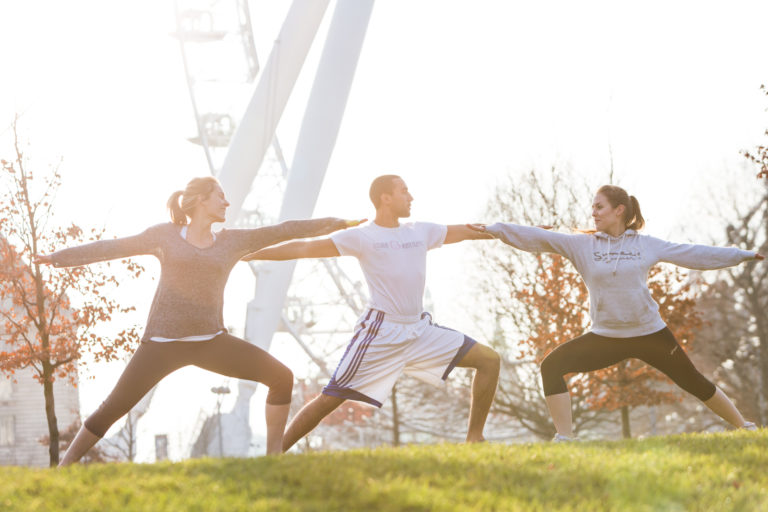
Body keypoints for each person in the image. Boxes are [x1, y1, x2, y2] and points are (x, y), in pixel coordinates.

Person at [35, 176, 359, 465]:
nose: (227, 202)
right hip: (160, 345)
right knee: (112, 409)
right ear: (201, 201)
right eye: (220, 196)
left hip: (210, 342)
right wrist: (60, 258)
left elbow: (284, 230)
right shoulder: (165, 236)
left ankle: (273, 460)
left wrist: (338, 222)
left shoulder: (233, 241)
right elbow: (115, 247)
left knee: (281, 377)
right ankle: (64, 469)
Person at [469, 184, 763, 441]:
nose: (593, 213)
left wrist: (741, 255)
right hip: (606, 336)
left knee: (693, 381)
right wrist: (495, 229)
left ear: (619, 210)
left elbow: (693, 253)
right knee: (551, 366)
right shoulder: (581, 245)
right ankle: (566, 438)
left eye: (599, 207)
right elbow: (536, 238)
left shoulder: (645, 244)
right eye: (592, 208)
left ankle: (743, 426)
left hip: (650, 333)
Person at [243, 175, 501, 450]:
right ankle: (276, 453)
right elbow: (304, 248)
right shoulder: (362, 236)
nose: (411, 197)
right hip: (381, 332)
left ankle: (475, 438)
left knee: (489, 360)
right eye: (404, 191)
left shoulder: (420, 231)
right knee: (330, 399)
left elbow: (471, 230)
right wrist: (248, 253)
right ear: (385, 198)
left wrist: (524, 233)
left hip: (419, 330)